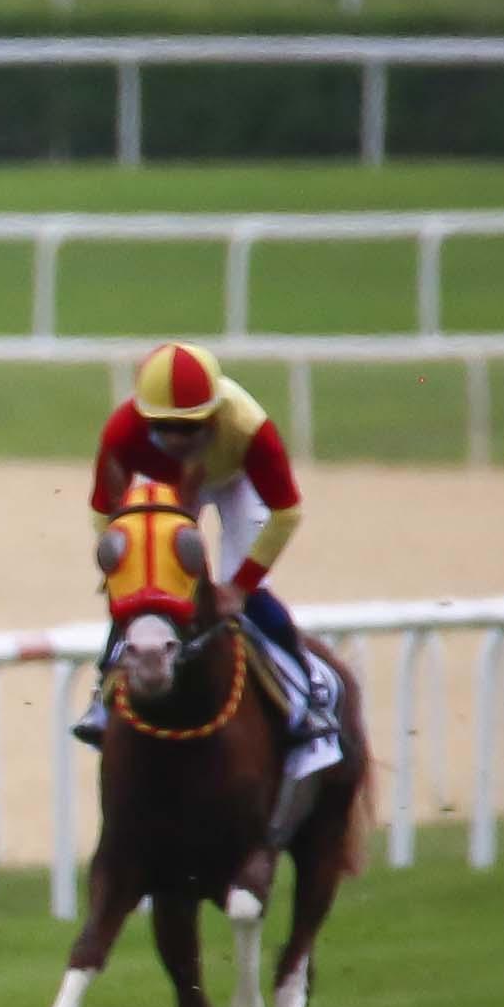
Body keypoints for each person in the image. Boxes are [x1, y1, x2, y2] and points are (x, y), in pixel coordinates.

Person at [84, 342, 337, 806]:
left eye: (191, 427)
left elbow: (287, 512)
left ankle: (311, 701)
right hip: (167, 493)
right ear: (144, 419)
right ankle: (103, 698)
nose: (178, 438)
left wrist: (239, 587)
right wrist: (118, 569)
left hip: (238, 481)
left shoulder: (249, 426)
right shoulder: (122, 430)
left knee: (255, 595)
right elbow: (103, 510)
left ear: (216, 413)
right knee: (145, 597)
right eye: (164, 429)